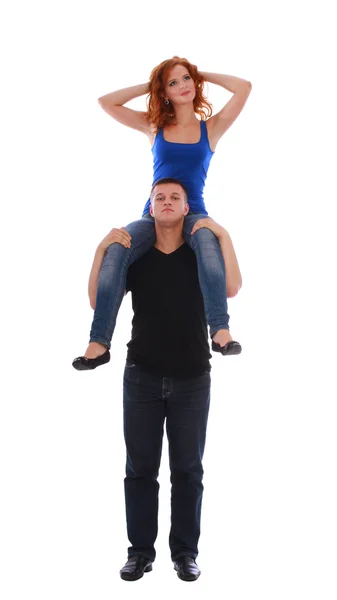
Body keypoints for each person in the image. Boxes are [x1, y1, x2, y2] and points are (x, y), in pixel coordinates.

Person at [87, 178, 241, 580]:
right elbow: (97, 299)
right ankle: (139, 553)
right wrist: (102, 247)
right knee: (140, 469)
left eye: (176, 197)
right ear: (150, 209)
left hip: (192, 378)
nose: (168, 202)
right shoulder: (134, 256)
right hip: (142, 377)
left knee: (188, 470)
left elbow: (232, 287)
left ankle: (185, 553)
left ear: (187, 208)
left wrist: (222, 234)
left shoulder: (199, 255)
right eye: (160, 198)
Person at [72, 56, 251, 370]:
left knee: (207, 243)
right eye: (173, 83)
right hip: (154, 213)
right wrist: (154, 83)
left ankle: (220, 330)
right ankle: (98, 342)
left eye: (186, 80)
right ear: (164, 91)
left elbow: (244, 87)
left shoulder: (211, 129)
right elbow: (106, 102)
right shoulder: (155, 126)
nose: (182, 86)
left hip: (194, 212)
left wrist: (198, 74)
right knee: (118, 247)